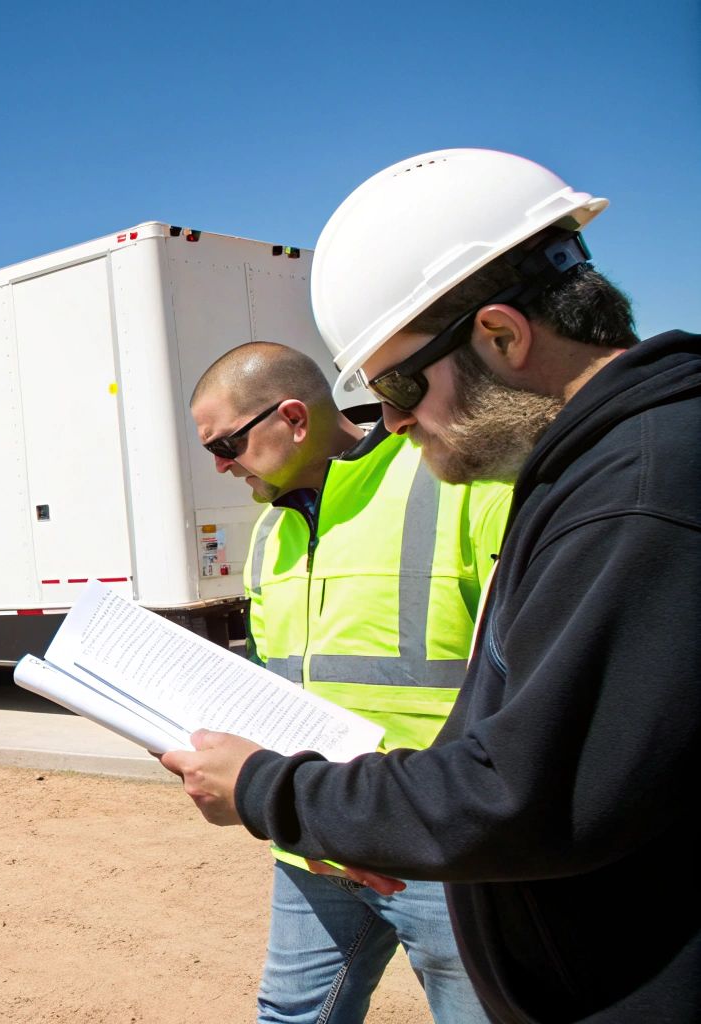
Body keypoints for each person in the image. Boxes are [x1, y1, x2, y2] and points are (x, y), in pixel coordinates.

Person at [161, 149, 701, 1022]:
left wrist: (270, 789)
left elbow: (523, 791)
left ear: (500, 334)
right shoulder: (600, 473)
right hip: (368, 833)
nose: (396, 417)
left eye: (400, 384)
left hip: (450, 862)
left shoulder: (633, 496)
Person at [191, 341, 508, 1023]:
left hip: (440, 848)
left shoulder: (450, 477)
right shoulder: (270, 533)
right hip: (315, 843)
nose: (219, 465)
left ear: (295, 419)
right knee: (291, 1016)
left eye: (226, 443)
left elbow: (520, 677)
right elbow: (273, 684)